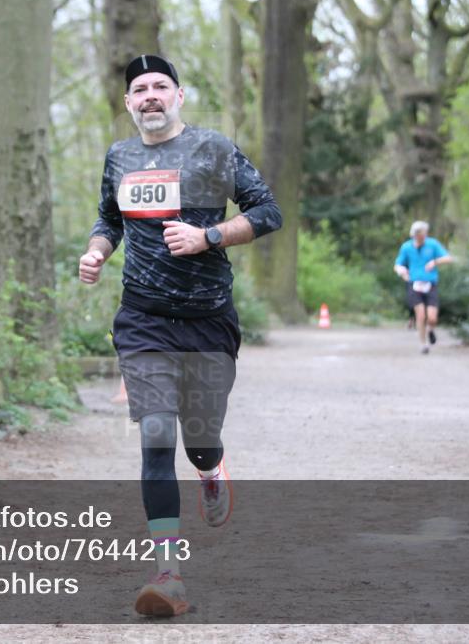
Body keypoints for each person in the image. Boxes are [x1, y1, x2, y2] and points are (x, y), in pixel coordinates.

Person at [79, 54, 281, 617]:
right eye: (139, 89)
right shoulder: (118, 157)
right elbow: (108, 220)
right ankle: (168, 574)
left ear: (179, 95)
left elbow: (267, 212)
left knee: (199, 436)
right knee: (158, 435)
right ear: (127, 103)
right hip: (142, 319)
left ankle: (212, 469)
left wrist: (209, 235)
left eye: (159, 87)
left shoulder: (214, 149)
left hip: (209, 319)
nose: (149, 95)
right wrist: (96, 251)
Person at [393, 221, 454, 354]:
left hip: (430, 284)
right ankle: (423, 343)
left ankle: (430, 330)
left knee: (432, 318)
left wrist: (435, 262)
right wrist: (402, 272)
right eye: (420, 234)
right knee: (420, 315)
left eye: (424, 234)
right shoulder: (406, 247)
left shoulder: (432, 244)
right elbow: (398, 264)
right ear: (414, 235)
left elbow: (448, 258)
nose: (423, 237)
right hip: (414, 284)